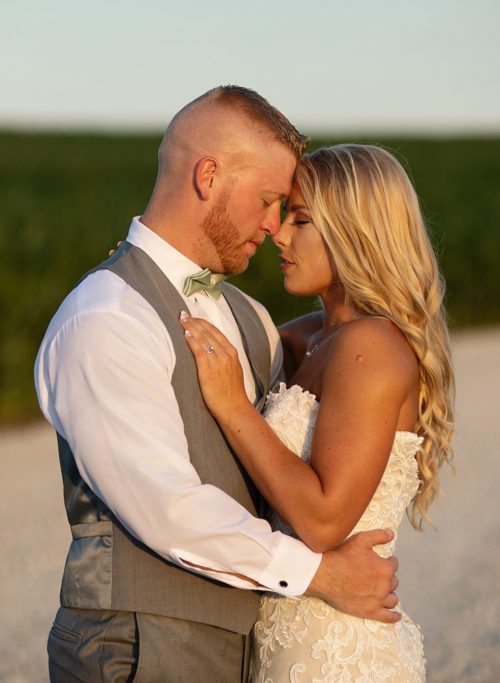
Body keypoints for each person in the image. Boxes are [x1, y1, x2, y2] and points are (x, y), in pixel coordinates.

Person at [34, 87, 400, 683]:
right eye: (266, 200)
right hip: (135, 641)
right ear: (208, 175)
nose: (274, 226)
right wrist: (323, 574)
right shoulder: (107, 315)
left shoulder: (251, 317)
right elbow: (167, 506)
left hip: (246, 646)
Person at [178, 143, 455, 681]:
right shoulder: (307, 337)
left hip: (337, 651)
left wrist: (236, 407)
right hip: (281, 638)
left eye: (301, 220)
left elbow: (324, 520)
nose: (279, 233)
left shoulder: (370, 348)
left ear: (356, 233)